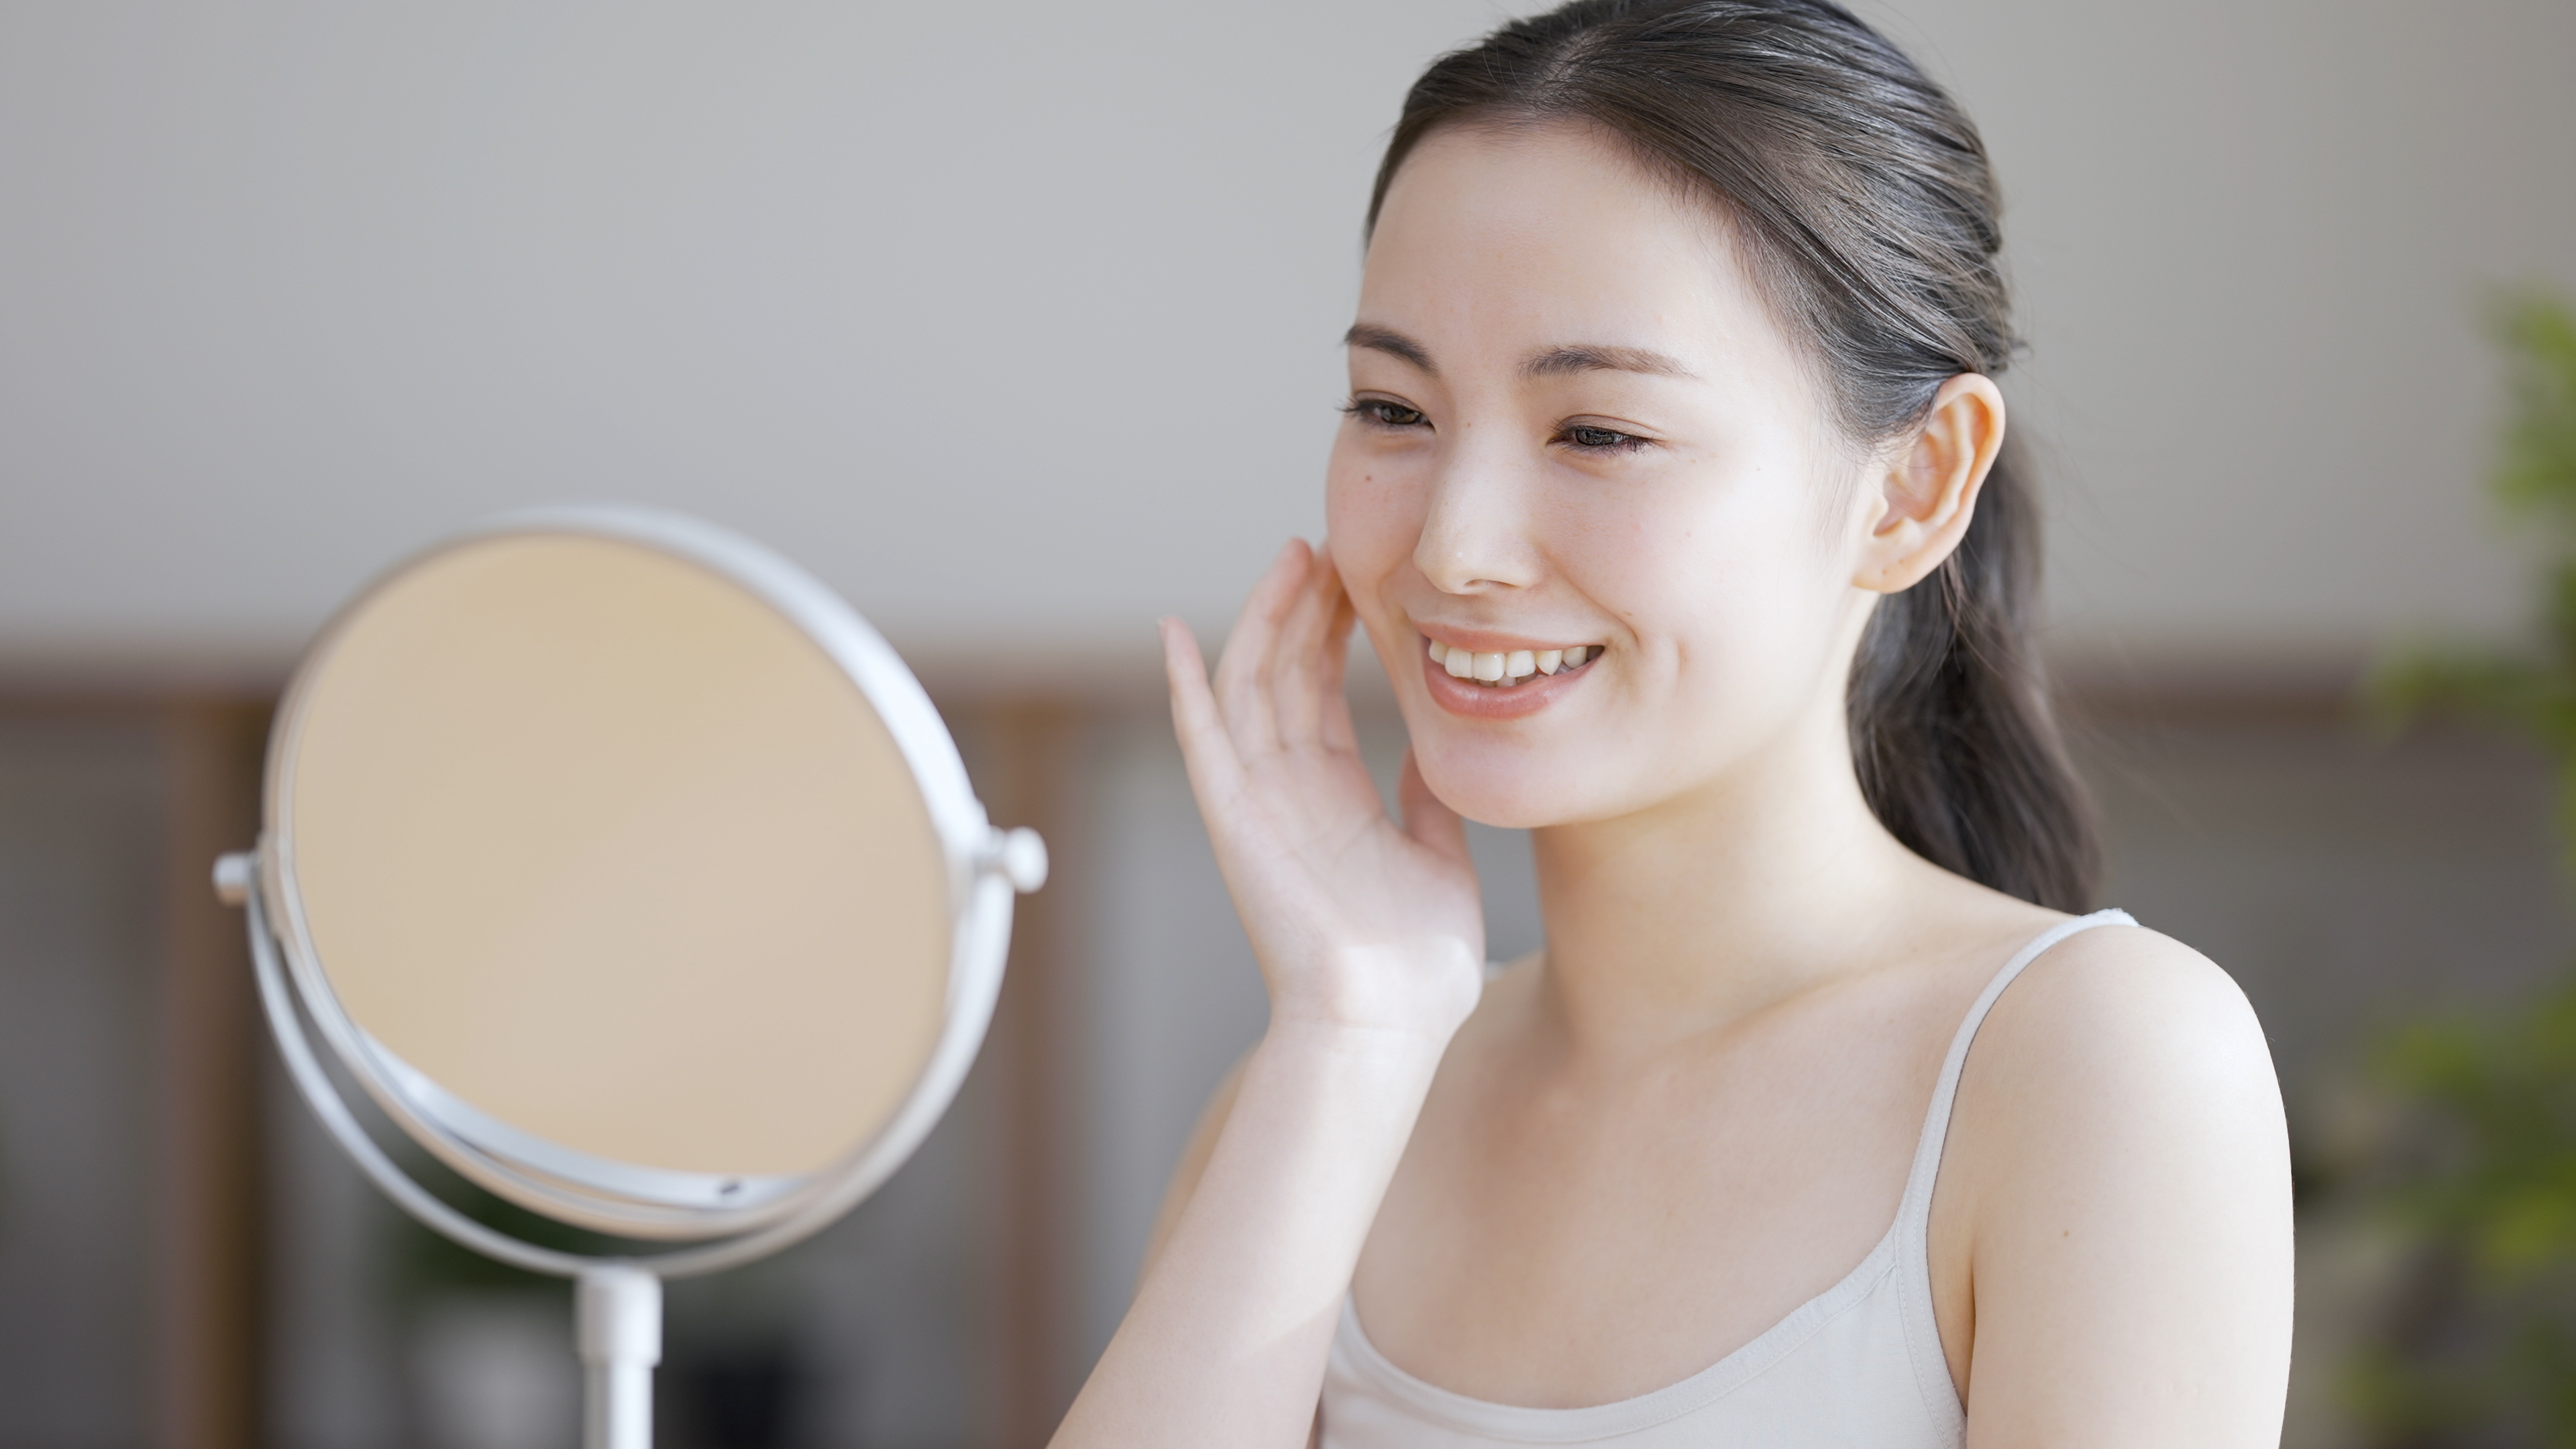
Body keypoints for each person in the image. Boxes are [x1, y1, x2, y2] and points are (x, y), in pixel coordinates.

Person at [1055, 1, 2294, 1444]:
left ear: (1910, 490)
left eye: (1599, 432)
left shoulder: (2094, 1067)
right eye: (1393, 410)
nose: (1456, 546)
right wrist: (1349, 1028)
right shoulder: (1319, 1100)